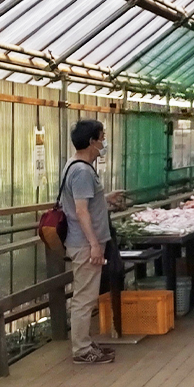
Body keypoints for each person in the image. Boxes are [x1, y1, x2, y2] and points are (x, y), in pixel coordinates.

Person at [62, 119, 121, 364]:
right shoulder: (82, 171)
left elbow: (86, 203)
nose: (103, 142)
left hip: (84, 240)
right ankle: (82, 349)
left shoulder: (75, 166)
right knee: (84, 297)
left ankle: (84, 343)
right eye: (101, 137)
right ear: (91, 142)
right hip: (85, 243)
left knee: (85, 295)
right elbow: (81, 210)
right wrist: (95, 244)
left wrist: (104, 198)